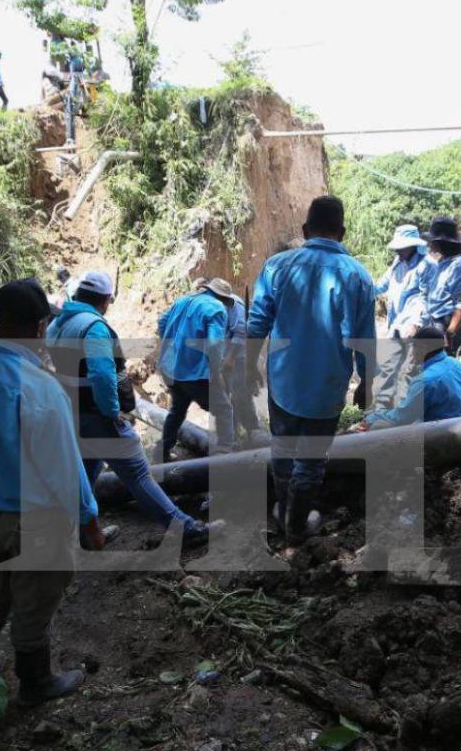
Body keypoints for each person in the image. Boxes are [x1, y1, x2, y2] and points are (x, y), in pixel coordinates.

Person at [0, 279, 106, 706]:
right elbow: (64, 465)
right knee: (34, 602)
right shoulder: (39, 386)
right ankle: (35, 683)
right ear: (38, 328)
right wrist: (88, 518)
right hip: (35, 519)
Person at [47, 271, 221, 547]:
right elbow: (102, 375)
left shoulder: (57, 324)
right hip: (97, 415)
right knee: (138, 474)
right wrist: (112, 411)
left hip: (73, 414)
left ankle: (80, 533)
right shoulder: (94, 327)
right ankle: (184, 530)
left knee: (87, 472)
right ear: (105, 300)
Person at [246, 195, 376, 544]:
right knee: (312, 460)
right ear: (343, 232)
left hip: (283, 382)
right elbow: (364, 341)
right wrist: (366, 382)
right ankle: (296, 525)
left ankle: (283, 514)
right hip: (327, 387)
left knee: (283, 448)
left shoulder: (278, 266)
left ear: (304, 230)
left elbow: (257, 322)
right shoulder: (359, 278)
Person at [157, 280, 238, 458]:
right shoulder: (216, 308)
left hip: (171, 370)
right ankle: (225, 454)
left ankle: (162, 451)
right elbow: (215, 345)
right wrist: (216, 375)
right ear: (223, 298)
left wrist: (172, 345)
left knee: (177, 410)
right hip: (194, 372)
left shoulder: (182, 300)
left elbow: (162, 322)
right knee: (224, 409)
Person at [355, 324, 461, 430]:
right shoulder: (457, 365)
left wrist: (371, 418)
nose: (412, 352)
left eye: (414, 346)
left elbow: (402, 417)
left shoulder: (425, 380)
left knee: (379, 425)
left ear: (423, 348)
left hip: (438, 434)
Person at [371, 224, 433, 414]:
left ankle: (406, 413)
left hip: (412, 326)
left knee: (410, 370)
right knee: (388, 365)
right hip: (396, 324)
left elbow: (425, 298)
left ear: (413, 245)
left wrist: (416, 323)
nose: (398, 250)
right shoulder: (397, 263)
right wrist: (361, 286)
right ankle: (382, 410)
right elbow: (380, 286)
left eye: (402, 246)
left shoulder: (426, 265)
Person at [213, 278, 264, 443]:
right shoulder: (216, 305)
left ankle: (253, 431)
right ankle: (232, 435)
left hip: (239, 357)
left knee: (240, 395)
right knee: (225, 398)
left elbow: (241, 331)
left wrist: (230, 358)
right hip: (224, 356)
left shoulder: (235, 305)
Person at [421, 217, 461, 357]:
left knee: (441, 368)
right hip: (434, 324)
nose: (430, 245)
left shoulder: (459, 267)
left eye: (432, 241)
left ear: (441, 243)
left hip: (445, 327)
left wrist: (449, 334)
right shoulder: (443, 263)